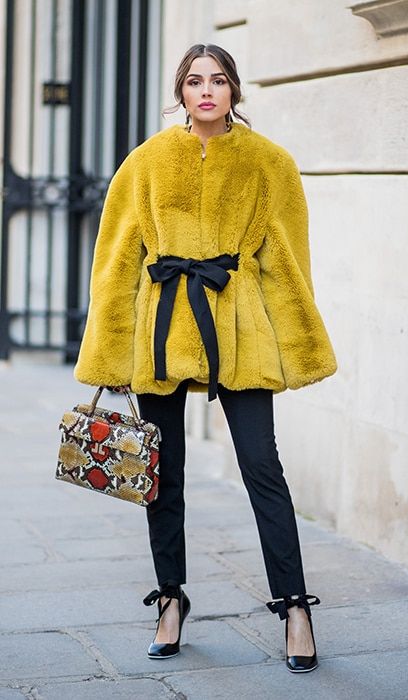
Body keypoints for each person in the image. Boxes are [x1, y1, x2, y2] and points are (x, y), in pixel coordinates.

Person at [74, 43, 337, 673]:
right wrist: (108, 356)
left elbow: (288, 262)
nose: (207, 91)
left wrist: (299, 346)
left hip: (237, 327)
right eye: (195, 82)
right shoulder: (145, 163)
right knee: (160, 472)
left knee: (261, 467)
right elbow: (115, 265)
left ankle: (295, 606)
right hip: (160, 330)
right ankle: (170, 599)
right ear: (181, 93)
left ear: (235, 91)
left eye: (219, 81)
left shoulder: (270, 163)